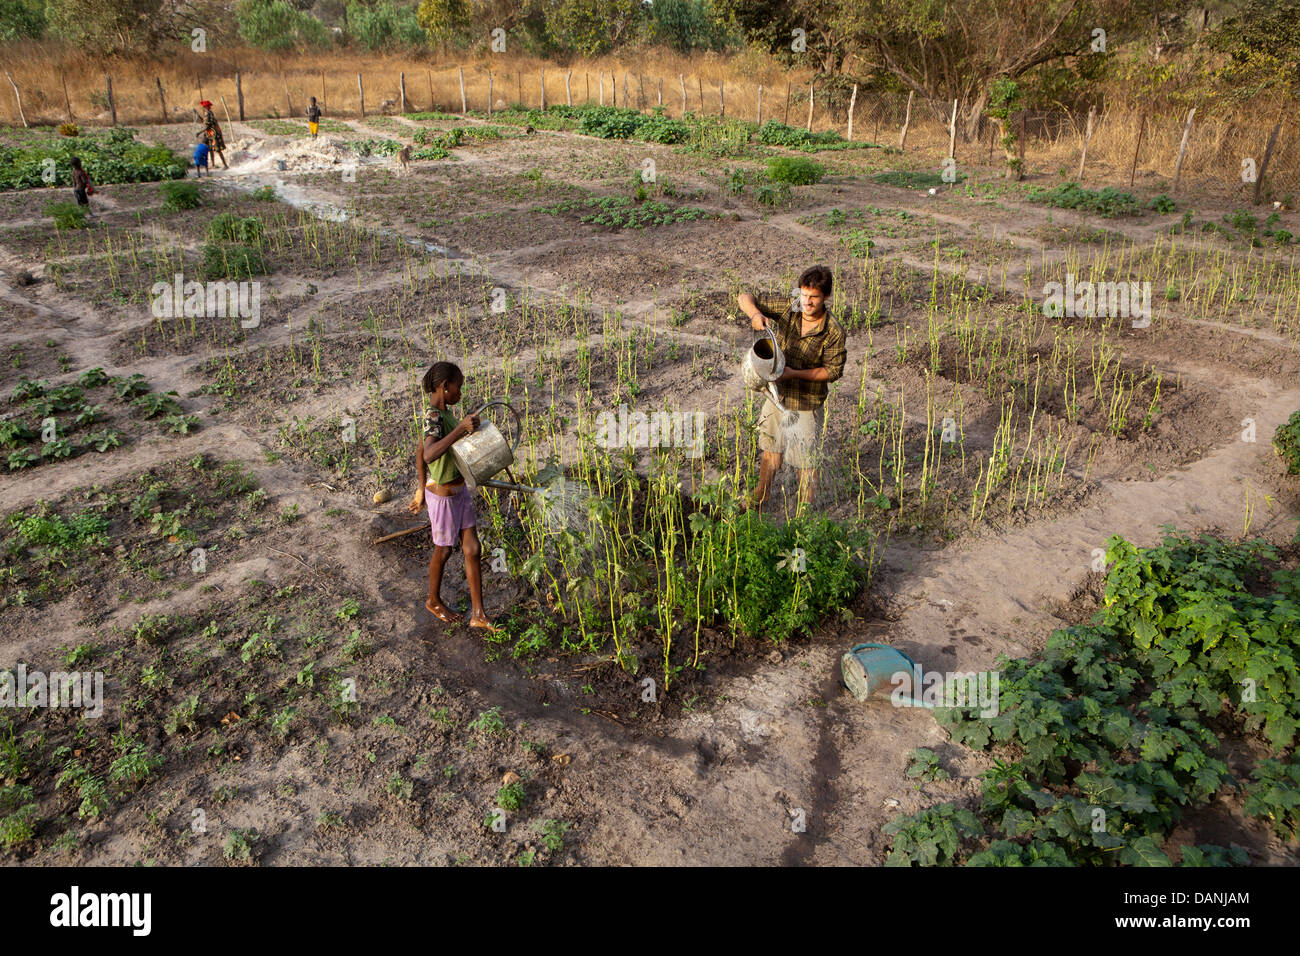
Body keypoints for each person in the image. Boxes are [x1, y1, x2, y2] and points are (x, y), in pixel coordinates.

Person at [736, 264, 847, 512]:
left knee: (805, 461)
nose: (806, 302)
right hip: (776, 397)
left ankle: (804, 513)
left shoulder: (833, 331)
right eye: (804, 295)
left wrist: (793, 374)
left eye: (814, 297)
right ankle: (760, 498)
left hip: (805, 403)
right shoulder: (790, 307)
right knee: (770, 449)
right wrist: (755, 315)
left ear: (826, 297)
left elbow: (833, 371)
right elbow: (744, 297)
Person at [407, 362, 497, 632]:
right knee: (444, 550)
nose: (461, 391)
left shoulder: (446, 415)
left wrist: (421, 487)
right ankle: (433, 600)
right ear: (445, 386)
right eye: (458, 386)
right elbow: (428, 454)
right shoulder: (432, 416)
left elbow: (420, 450)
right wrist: (460, 430)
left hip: (459, 491)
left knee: (472, 548)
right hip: (444, 496)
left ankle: (478, 614)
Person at [199, 100, 228, 169]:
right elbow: (205, 121)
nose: (202, 108)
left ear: (206, 107)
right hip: (211, 133)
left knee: (217, 149)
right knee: (211, 149)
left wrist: (199, 132)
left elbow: (208, 126)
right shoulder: (209, 113)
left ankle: (225, 165)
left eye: (203, 107)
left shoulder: (208, 114)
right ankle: (213, 164)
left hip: (213, 134)